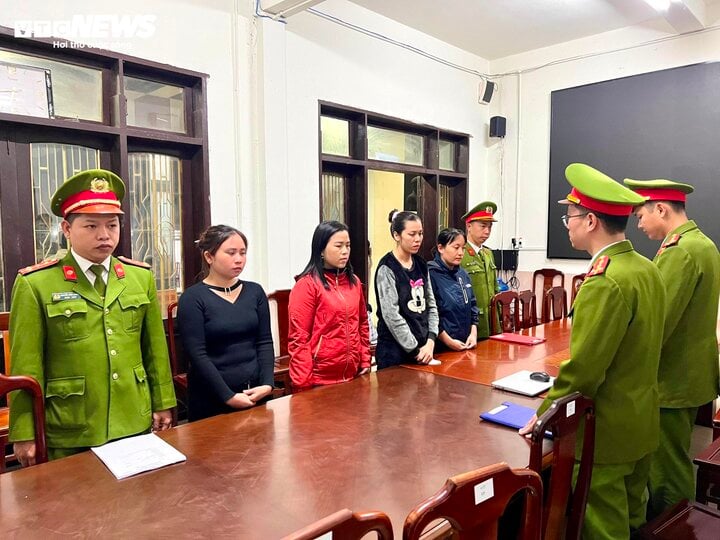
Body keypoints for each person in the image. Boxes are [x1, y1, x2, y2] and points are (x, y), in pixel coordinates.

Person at [519, 163, 665, 539]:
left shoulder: (605, 281)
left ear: (590, 221)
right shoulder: (646, 268)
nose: (566, 223)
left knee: (603, 528)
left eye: (569, 215)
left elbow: (584, 369)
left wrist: (544, 414)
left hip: (607, 433)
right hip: (641, 421)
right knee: (632, 519)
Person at [9, 169, 176, 465]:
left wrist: (163, 403)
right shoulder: (36, 283)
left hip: (132, 417)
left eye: (112, 225)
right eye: (91, 226)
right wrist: (24, 432)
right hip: (71, 425)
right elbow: (27, 365)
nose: (104, 235)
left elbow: (155, 350)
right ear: (66, 229)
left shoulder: (139, 277)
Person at [624, 177, 720, 518]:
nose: (638, 223)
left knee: (666, 469)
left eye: (640, 215)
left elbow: (657, 322)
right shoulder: (702, 243)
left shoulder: (680, 251)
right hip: (690, 375)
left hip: (671, 380)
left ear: (661, 209)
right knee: (673, 457)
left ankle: (671, 525)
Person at [177, 225, 274, 421]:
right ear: (209, 257)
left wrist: (267, 384)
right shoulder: (192, 298)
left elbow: (264, 342)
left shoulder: (255, 292)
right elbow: (197, 355)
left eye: (243, 253)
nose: (239, 259)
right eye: (231, 253)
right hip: (211, 398)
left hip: (255, 393)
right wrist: (228, 396)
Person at [288, 221, 372, 391]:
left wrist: (364, 358)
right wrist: (302, 384)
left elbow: (362, 323)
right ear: (321, 250)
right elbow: (299, 339)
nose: (345, 251)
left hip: (352, 375)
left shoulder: (353, 281)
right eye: (338, 246)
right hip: (319, 379)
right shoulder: (307, 285)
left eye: (347, 245)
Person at [374, 210, 439, 369]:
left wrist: (430, 341)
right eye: (412, 234)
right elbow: (391, 316)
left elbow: (431, 305)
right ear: (397, 235)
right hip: (395, 354)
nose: (418, 239)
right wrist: (415, 351)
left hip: (424, 350)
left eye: (420, 233)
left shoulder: (422, 264)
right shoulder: (387, 267)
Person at [428, 228, 479, 351]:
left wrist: (473, 334)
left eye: (463, 248)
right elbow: (430, 315)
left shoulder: (463, 274)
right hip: (442, 347)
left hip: (465, 343)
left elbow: (472, 305)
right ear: (441, 248)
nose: (461, 253)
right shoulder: (430, 274)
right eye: (456, 248)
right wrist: (448, 341)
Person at [460, 201, 500, 338]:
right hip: (471, 323)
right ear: (469, 226)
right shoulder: (460, 253)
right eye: (483, 226)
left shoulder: (488, 254)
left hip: (492, 322)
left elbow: (495, 287)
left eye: (490, 227)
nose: (487, 231)